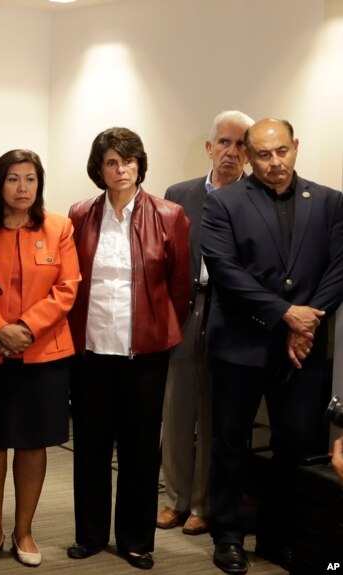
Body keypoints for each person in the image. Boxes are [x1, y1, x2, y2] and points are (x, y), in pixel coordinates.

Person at [202, 118, 343, 574]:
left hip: (301, 353)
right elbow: (226, 272)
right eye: (263, 155)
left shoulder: (329, 201)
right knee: (229, 444)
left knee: (296, 444)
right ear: (247, 155)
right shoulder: (223, 203)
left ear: (295, 147)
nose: (274, 163)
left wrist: (306, 322)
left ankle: (276, 534)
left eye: (281, 151)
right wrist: (287, 314)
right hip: (239, 349)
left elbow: (339, 269)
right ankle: (227, 535)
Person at [66, 127, 191, 570]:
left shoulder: (170, 214)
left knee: (140, 450)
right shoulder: (80, 214)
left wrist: (158, 331)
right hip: (91, 351)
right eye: (112, 162)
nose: (122, 170)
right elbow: (71, 282)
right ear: (98, 170)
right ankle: (91, 534)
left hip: (145, 354)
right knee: (91, 448)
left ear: (140, 163)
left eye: (129, 161)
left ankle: (137, 540)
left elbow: (179, 288)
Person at [0, 150, 81, 568]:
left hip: (44, 353)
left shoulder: (60, 227)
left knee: (32, 444)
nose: (22, 188)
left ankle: (24, 531)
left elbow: (67, 289)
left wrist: (26, 329)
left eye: (30, 179)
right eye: (13, 179)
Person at [157, 110, 254, 538]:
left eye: (240, 145)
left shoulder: (256, 198)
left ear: (248, 155)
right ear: (209, 147)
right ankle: (175, 496)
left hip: (230, 314)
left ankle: (202, 502)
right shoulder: (179, 194)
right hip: (185, 308)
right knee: (176, 407)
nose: (231, 152)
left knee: (215, 410)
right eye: (224, 142)